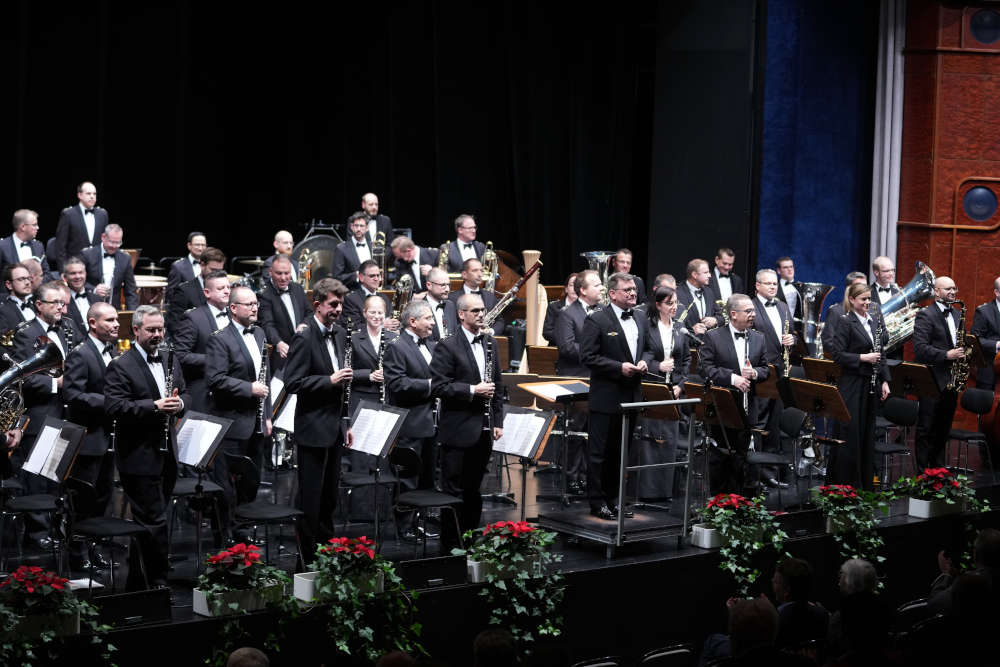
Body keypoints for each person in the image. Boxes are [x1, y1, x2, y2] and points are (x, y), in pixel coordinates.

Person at [104, 305, 188, 589]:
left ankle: (138, 584)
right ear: (135, 330)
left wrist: (181, 404)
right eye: (151, 330)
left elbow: (184, 391)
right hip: (139, 456)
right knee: (154, 521)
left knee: (152, 521)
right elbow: (115, 407)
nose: (157, 335)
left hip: (167, 454)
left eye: (160, 329)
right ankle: (158, 583)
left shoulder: (169, 357)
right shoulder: (120, 365)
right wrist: (154, 406)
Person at [283, 278, 354, 547]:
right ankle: (307, 553)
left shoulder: (337, 333)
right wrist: (329, 380)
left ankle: (326, 549)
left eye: (341, 304)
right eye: (333, 304)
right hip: (313, 427)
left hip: (335, 426)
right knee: (311, 497)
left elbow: (342, 384)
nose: (338, 309)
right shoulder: (304, 336)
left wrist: (345, 421)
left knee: (329, 497)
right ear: (317, 305)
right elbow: (293, 382)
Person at [430, 293, 503, 545]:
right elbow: (439, 387)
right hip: (458, 430)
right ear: (461, 314)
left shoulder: (490, 342)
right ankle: (451, 547)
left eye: (483, 310)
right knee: (454, 492)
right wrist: (472, 390)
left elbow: (498, 385)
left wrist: (499, 422)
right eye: (475, 311)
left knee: (474, 491)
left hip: (483, 430)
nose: (481, 314)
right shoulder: (447, 345)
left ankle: (470, 544)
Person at [580, 272, 647, 519]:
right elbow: (587, 357)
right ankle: (597, 503)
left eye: (634, 289)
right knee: (599, 454)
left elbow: (648, 349)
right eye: (627, 289)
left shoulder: (640, 317)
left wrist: (644, 361)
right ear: (612, 294)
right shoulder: (597, 320)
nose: (632, 293)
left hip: (631, 396)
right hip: (606, 397)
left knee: (621, 453)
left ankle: (614, 499)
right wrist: (618, 367)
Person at [206, 285, 272, 533]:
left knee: (251, 481)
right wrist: (248, 388)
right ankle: (225, 536)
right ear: (233, 308)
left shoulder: (259, 334)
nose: (255, 308)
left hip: (255, 422)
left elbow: (265, 377)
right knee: (226, 486)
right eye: (249, 304)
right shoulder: (219, 339)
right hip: (231, 423)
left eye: (256, 303)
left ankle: (244, 529)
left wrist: (267, 415)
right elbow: (215, 379)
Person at [63, 302, 120, 571]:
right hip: (89, 439)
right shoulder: (80, 354)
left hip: (110, 438)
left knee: (103, 497)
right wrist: (110, 401)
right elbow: (73, 395)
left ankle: (94, 546)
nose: (116, 324)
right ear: (93, 323)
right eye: (109, 320)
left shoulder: (115, 351)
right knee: (83, 500)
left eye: (117, 319)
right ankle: (77, 552)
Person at [699, 294, 769, 494]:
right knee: (720, 456)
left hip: (748, 408)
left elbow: (766, 369)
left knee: (741, 457)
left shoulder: (758, 337)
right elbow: (706, 369)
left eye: (753, 310)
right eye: (748, 311)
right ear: (733, 314)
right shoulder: (713, 337)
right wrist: (733, 378)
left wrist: (755, 373)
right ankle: (718, 503)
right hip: (722, 407)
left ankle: (738, 504)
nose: (753, 314)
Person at [828, 283, 890, 489]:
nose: (867, 303)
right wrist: (863, 357)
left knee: (867, 432)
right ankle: (845, 484)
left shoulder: (874, 322)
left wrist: (885, 380)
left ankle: (864, 483)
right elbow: (837, 355)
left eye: (869, 299)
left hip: (870, 384)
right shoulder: (845, 322)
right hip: (851, 384)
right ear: (852, 300)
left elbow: (881, 353)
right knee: (850, 432)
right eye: (863, 299)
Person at [638, 285, 690, 502]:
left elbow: (686, 360)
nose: (674, 307)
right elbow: (642, 356)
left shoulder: (680, 328)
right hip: (653, 388)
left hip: (673, 391)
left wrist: (681, 385)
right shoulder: (648, 327)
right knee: (651, 441)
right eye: (669, 304)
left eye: (676, 303)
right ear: (658, 305)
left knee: (669, 440)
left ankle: (665, 491)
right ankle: (648, 491)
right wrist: (658, 366)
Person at [555, 270, 601, 495]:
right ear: (583, 290)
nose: (601, 288)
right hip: (575, 378)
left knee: (591, 433)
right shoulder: (567, 314)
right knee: (574, 431)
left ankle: (585, 476)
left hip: (596, 379)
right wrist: (595, 353)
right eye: (597, 285)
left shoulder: (601, 312)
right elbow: (566, 347)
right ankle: (570, 477)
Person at [912, 276, 965, 468]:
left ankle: (938, 473)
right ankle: (922, 475)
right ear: (937, 291)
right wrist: (946, 354)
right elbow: (919, 348)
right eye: (948, 289)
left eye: (954, 288)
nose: (952, 292)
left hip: (951, 381)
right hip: (931, 380)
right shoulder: (925, 315)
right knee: (926, 429)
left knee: (943, 430)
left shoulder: (958, 315)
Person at [384, 300, 437, 489]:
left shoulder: (431, 345)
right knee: (407, 482)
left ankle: (423, 518)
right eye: (428, 318)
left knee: (427, 481)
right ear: (413, 322)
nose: (433, 322)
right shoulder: (396, 346)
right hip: (411, 425)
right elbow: (397, 383)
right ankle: (405, 519)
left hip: (432, 424)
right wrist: (431, 385)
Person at [751, 268, 795, 488]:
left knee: (774, 423)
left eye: (774, 284)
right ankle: (754, 473)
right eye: (767, 284)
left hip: (779, 374)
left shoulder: (783, 307)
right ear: (757, 285)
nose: (772, 287)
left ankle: (769, 472)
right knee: (758, 422)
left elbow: (792, 333)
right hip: (759, 374)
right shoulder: (750, 307)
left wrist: (791, 339)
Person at [174, 270, 232, 413]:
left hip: (232, 391)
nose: (226, 292)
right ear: (207, 293)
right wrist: (213, 359)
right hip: (205, 392)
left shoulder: (234, 315)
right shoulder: (193, 318)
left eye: (228, 287)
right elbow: (179, 354)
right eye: (220, 288)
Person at [257, 254, 311, 370]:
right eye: (279, 273)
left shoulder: (298, 288)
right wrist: (278, 342)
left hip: (302, 349)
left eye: (287, 273)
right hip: (280, 354)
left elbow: (310, 313)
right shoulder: (264, 294)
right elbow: (267, 324)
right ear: (270, 272)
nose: (283, 278)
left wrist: (304, 324)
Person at [348, 295, 398, 416]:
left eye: (380, 313)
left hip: (388, 398)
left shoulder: (394, 338)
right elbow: (346, 371)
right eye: (372, 312)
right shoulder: (353, 338)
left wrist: (387, 374)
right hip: (361, 397)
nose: (376, 316)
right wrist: (369, 375)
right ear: (364, 313)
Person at [771, 557, 829, 649]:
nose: (772, 582)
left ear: (787, 591)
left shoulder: (776, 618)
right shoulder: (823, 614)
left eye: (776, 582)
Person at [167, 247, 227, 335]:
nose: (217, 274)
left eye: (220, 271)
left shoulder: (226, 290)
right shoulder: (184, 291)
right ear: (202, 265)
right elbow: (174, 324)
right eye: (213, 270)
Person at [80, 223, 138, 310]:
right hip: (90, 306)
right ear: (103, 237)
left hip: (114, 309)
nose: (114, 246)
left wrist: (132, 314)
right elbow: (77, 281)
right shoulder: (87, 255)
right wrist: (94, 289)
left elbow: (130, 290)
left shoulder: (125, 258)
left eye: (118, 243)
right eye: (111, 242)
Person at [53, 181, 107, 271]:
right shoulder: (68, 214)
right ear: (79, 195)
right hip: (74, 266)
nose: (92, 196)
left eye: (94, 194)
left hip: (96, 266)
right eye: (88, 193)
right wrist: (63, 271)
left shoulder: (102, 214)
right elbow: (60, 247)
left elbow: (104, 242)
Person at [448, 258, 504, 335]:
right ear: (464, 274)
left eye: (481, 271)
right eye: (475, 270)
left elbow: (500, 321)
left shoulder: (490, 296)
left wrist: (491, 331)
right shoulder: (452, 298)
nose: (480, 274)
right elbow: (450, 323)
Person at [821, 272, 868, 357]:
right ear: (849, 289)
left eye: (865, 286)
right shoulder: (835, 311)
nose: (863, 289)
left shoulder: (870, 311)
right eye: (858, 286)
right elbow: (828, 343)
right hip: (846, 365)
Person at [340, 259, 396, 332]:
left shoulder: (384, 297)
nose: (376, 279)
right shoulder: (351, 299)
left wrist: (394, 324)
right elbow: (353, 327)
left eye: (378, 275)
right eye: (372, 276)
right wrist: (381, 325)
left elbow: (389, 319)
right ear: (361, 277)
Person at [0, 209, 52, 286]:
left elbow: (47, 274)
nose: (37, 228)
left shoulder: (38, 246)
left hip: (36, 295)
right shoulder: (2, 246)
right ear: (23, 227)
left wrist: (34, 286)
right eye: (34, 225)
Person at [675, 258, 721, 336]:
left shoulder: (709, 292)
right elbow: (674, 322)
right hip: (687, 344)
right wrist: (691, 330)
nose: (709, 275)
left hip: (708, 344)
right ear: (694, 275)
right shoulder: (677, 293)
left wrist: (715, 320)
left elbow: (720, 315)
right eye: (706, 272)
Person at [971, 276, 1000, 391]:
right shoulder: (983, 311)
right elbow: (975, 340)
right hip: (990, 370)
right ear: (997, 292)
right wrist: (997, 345)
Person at [333, 212, 373, 291]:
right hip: (352, 294)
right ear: (351, 227)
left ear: (367, 228)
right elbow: (336, 278)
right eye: (356, 226)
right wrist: (356, 276)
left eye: (361, 226)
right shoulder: (341, 249)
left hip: (373, 293)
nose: (358, 229)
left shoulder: (373, 247)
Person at [62, 255, 100, 333]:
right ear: (65, 277)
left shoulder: (98, 299)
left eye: (80, 272)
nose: (77, 276)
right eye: (73, 273)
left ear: (85, 274)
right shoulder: (61, 303)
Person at [423, 267, 458, 341]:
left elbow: (455, 332)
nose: (447, 289)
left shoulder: (450, 305)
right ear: (429, 285)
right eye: (443, 285)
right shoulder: (419, 307)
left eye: (448, 285)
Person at [542, 272, 577, 347]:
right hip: (556, 348)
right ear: (566, 289)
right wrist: (567, 337)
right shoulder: (554, 307)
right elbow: (547, 332)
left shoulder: (587, 307)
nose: (575, 288)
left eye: (578, 285)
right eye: (572, 285)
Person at [0, 262, 36, 332]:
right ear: (9, 285)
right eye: (21, 279)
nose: (27, 282)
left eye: (28, 278)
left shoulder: (35, 306)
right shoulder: (2, 312)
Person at [775, 257, 802, 321]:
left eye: (791, 266)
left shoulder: (802, 287)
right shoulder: (773, 287)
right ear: (779, 271)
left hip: (798, 329)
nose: (789, 269)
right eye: (785, 267)